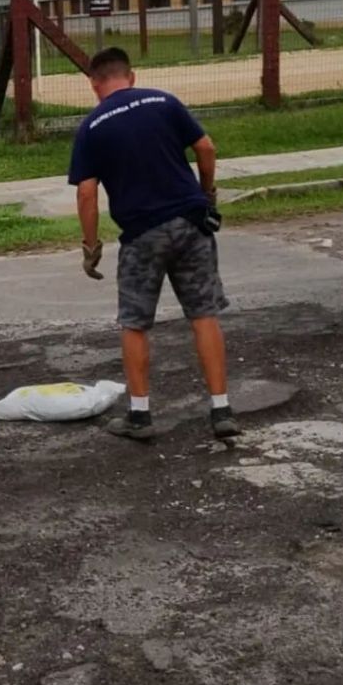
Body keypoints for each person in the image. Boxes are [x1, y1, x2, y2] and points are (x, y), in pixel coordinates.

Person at [68, 47, 241, 443]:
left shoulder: (93, 126)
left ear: (94, 83)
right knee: (203, 314)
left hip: (142, 234)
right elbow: (206, 148)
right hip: (192, 224)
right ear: (131, 76)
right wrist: (207, 193)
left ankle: (140, 417)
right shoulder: (164, 101)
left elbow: (87, 194)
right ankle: (221, 410)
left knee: (134, 322)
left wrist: (90, 245)